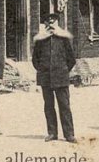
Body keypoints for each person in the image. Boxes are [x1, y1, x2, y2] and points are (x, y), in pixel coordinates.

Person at [32, 13, 77, 143]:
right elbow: (35, 59)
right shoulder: (41, 40)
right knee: (49, 106)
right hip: (45, 78)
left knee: (64, 106)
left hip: (61, 77)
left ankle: (69, 134)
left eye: (53, 21)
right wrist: (42, 69)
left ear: (57, 23)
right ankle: (52, 133)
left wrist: (62, 70)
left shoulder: (63, 39)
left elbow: (71, 59)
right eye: (48, 21)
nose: (50, 23)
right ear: (45, 24)